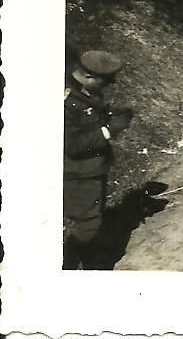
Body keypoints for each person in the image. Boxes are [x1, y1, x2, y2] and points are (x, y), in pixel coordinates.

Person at [63, 50, 133, 270]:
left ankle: (85, 259)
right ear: (88, 76)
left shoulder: (84, 91)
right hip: (79, 174)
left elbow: (90, 117)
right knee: (89, 224)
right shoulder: (67, 101)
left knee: (93, 219)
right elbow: (71, 144)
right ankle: (67, 268)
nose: (108, 86)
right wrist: (108, 130)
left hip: (92, 170)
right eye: (105, 82)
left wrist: (110, 115)